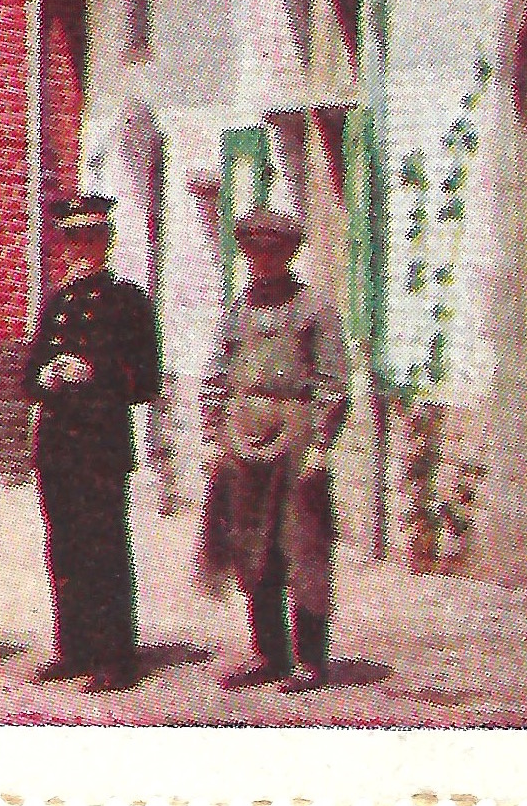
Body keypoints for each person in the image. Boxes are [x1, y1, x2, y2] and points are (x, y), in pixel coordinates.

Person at [197, 207, 350, 693]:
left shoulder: (314, 309)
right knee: (248, 544)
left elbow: (333, 382)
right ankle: (270, 654)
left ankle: (310, 659)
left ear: (288, 255)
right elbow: (217, 375)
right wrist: (212, 434)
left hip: (295, 431)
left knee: (301, 544)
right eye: (254, 254)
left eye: (273, 254)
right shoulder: (238, 310)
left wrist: (321, 446)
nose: (262, 263)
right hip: (243, 434)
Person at [24, 193, 159, 693]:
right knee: (63, 544)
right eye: (74, 239)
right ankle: (74, 645)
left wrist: (94, 372)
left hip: (101, 442)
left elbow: (145, 379)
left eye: (92, 239)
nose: (83, 248)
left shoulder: (128, 302)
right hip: (58, 441)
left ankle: (114, 654)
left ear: (107, 242)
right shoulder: (57, 302)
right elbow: (28, 373)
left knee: (103, 545)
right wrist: (48, 376)